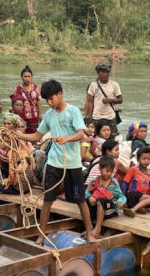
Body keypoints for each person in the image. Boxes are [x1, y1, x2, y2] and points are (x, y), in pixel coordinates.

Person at [16, 79, 93, 238]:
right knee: (48, 200)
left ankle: (90, 232)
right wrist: (18, 135)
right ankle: (41, 235)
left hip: (72, 164)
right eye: (47, 100)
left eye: (51, 99)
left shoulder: (73, 111)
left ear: (60, 94)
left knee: (80, 200)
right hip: (53, 163)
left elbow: (81, 134)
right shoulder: (49, 115)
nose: (50, 103)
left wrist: (67, 138)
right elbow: (37, 136)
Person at [85, 156, 126, 241]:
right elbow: (86, 193)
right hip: (97, 209)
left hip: (110, 209)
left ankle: (97, 229)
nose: (109, 174)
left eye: (111, 171)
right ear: (100, 169)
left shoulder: (114, 183)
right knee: (85, 202)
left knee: (101, 201)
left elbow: (122, 196)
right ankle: (89, 228)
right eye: (107, 171)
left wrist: (120, 202)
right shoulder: (93, 181)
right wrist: (90, 197)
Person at [122, 147, 150, 216]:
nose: (146, 161)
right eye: (144, 159)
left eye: (148, 159)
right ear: (138, 159)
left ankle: (141, 206)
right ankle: (133, 210)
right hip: (133, 195)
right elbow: (125, 183)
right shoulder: (133, 169)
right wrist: (123, 198)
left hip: (145, 196)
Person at [84, 61, 122, 129]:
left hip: (110, 117)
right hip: (96, 117)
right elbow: (89, 102)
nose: (105, 74)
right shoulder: (93, 85)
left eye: (107, 72)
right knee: (95, 135)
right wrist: (89, 118)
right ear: (98, 73)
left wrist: (110, 100)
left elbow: (120, 100)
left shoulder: (114, 85)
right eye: (103, 72)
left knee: (113, 135)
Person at [13, 66, 41, 134]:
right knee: (22, 133)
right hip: (22, 116)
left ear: (32, 77)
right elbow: (15, 103)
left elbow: (38, 100)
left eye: (29, 76)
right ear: (21, 77)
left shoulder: (35, 87)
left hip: (34, 116)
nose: (27, 78)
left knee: (33, 133)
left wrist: (40, 114)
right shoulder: (18, 89)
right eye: (25, 76)